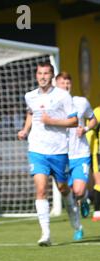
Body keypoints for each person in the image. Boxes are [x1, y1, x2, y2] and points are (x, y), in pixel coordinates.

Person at [18, 62, 78, 246]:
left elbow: (74, 121)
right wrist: (25, 130)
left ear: (52, 76)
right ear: (36, 76)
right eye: (40, 73)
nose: (43, 76)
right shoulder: (30, 96)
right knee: (41, 190)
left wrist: (51, 121)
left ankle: (74, 217)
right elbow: (31, 113)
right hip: (37, 150)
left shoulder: (63, 95)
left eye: (46, 73)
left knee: (62, 189)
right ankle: (46, 234)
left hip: (59, 151)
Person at [55, 72, 97, 240]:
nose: (65, 85)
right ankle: (77, 227)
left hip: (80, 154)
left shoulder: (81, 102)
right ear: (56, 85)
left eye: (68, 83)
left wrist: (85, 129)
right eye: (62, 83)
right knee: (68, 193)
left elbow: (93, 119)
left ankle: (85, 197)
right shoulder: (53, 107)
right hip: (61, 156)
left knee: (78, 191)